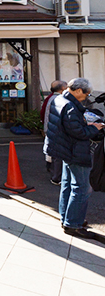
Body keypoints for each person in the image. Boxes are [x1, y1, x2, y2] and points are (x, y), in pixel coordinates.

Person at [46, 77, 104, 236]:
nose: (87, 97)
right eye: (86, 94)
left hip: (64, 149)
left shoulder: (59, 99)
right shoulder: (70, 106)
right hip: (75, 150)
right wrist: (95, 128)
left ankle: (67, 218)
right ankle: (73, 224)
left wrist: (86, 125)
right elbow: (78, 132)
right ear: (78, 91)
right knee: (81, 188)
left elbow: (69, 127)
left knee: (67, 184)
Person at [42, 79, 67, 185]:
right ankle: (57, 177)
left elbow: (44, 113)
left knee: (53, 153)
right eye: (66, 87)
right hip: (56, 131)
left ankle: (55, 173)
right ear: (62, 88)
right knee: (58, 155)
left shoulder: (50, 98)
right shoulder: (59, 99)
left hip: (51, 129)